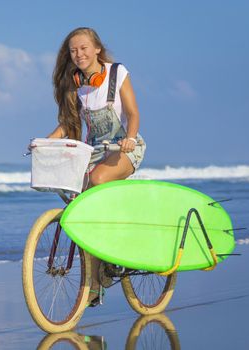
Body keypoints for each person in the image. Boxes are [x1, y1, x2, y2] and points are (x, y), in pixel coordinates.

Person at [46, 27, 146, 307]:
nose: (78, 54)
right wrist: (45, 141)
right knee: (78, 203)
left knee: (98, 178)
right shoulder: (76, 83)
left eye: (84, 48)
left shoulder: (116, 73)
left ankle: (113, 250)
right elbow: (69, 124)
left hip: (125, 148)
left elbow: (133, 113)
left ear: (97, 49)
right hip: (95, 150)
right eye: (73, 50)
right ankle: (94, 282)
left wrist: (129, 138)